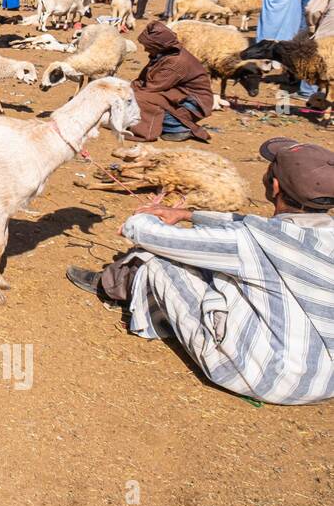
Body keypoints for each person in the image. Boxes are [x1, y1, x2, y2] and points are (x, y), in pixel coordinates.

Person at [66, 138, 334, 405]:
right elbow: (249, 224)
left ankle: (113, 284)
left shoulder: (247, 241)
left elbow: (146, 234)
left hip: (269, 378)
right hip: (326, 380)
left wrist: (143, 217)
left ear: (274, 185)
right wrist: (185, 215)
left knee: (159, 262)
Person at [129, 21, 214, 142]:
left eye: (148, 46)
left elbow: (152, 87)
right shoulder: (164, 54)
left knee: (142, 98)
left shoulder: (176, 62)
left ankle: (177, 128)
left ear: (158, 46)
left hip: (193, 102)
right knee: (133, 92)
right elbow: (145, 80)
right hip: (178, 93)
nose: (145, 49)